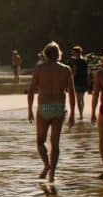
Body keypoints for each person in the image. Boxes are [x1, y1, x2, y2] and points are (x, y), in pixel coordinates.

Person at [27, 42, 76, 183]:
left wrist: (30, 109)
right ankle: (52, 174)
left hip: (44, 108)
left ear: (45, 54)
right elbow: (71, 93)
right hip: (59, 108)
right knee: (55, 143)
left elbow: (31, 90)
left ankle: (47, 165)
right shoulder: (66, 69)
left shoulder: (40, 69)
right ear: (58, 54)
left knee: (40, 141)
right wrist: (73, 113)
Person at [90, 48, 103, 179]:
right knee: (102, 141)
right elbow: (95, 94)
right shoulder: (100, 74)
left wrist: (93, 112)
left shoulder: (101, 74)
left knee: (102, 141)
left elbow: (95, 94)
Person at [69, 46, 89, 120]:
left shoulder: (76, 61)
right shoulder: (84, 61)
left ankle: (81, 115)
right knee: (82, 99)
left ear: (77, 52)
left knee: (78, 99)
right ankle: (81, 113)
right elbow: (87, 72)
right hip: (84, 82)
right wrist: (88, 81)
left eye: (74, 52)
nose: (73, 53)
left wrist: (71, 80)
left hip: (77, 82)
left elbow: (74, 72)